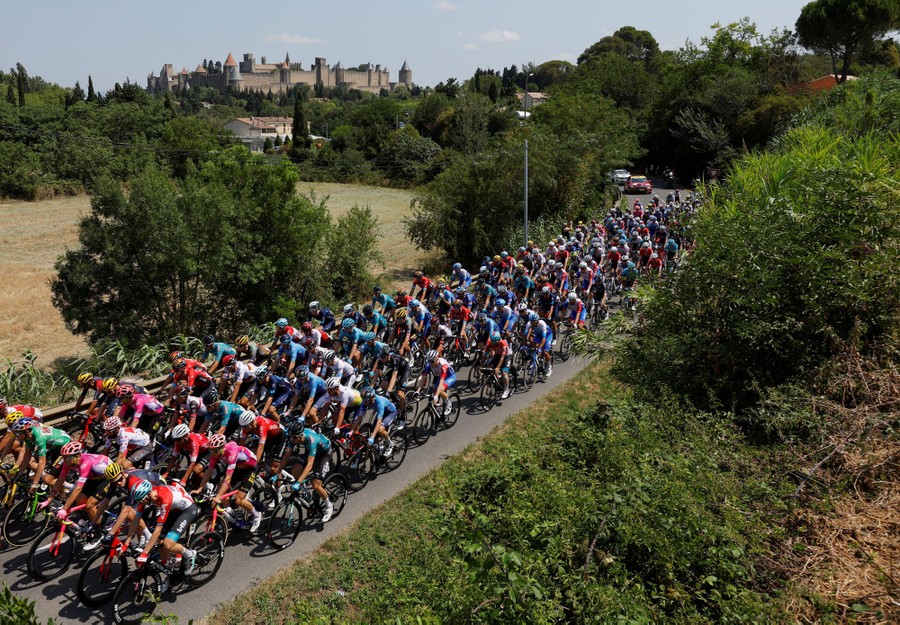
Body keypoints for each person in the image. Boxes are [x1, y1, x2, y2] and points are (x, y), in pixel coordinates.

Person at [123, 479, 200, 573]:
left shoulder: (164, 499)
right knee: (159, 543)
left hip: (187, 510)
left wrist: (144, 553)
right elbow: (136, 520)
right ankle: (170, 570)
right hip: (174, 509)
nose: (142, 503)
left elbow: (158, 530)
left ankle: (190, 555)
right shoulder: (146, 496)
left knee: (167, 544)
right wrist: (126, 543)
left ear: (148, 494)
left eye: (143, 500)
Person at [193, 435, 262, 533]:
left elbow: (228, 478)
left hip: (250, 468)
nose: (212, 453)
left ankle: (256, 515)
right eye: (211, 450)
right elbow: (209, 471)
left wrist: (218, 497)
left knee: (238, 500)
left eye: (214, 450)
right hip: (238, 468)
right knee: (223, 496)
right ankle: (232, 515)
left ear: (221, 448)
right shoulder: (215, 454)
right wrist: (200, 488)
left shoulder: (231, 452)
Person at [358, 387, 398, 456]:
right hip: (382, 413)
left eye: (366, 400)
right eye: (363, 400)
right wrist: (352, 430)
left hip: (391, 413)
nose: (365, 402)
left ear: (372, 397)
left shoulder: (379, 402)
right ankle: (379, 450)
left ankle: (391, 444)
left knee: (379, 429)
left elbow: (379, 422)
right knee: (374, 432)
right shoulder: (365, 402)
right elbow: (359, 417)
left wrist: (372, 437)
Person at [417, 350, 456, 416]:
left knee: (439, 391)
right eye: (429, 361)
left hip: (450, 377)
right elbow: (423, 378)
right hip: (440, 376)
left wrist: (437, 396)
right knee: (434, 393)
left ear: (436, 359)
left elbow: (441, 381)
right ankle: (440, 410)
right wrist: (417, 391)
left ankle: (449, 403)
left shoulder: (443, 365)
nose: (430, 363)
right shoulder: (429, 365)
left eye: (432, 361)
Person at [482, 332, 512, 399]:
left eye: (495, 341)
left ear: (499, 339)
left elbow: (502, 358)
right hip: (498, 354)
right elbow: (484, 356)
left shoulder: (503, 343)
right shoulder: (490, 343)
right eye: (492, 341)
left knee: (504, 372)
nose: (493, 343)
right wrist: (481, 366)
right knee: (489, 367)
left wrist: (498, 367)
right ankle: (494, 379)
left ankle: (506, 389)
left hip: (506, 356)